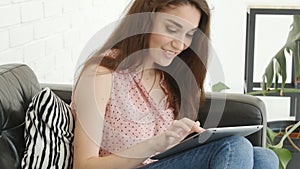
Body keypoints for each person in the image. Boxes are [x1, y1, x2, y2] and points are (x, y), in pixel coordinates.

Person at [71, 0, 279, 169]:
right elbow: (84, 165)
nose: (180, 45)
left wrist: (184, 139)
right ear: (145, 20)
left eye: (189, 34)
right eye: (172, 29)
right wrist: (154, 144)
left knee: (265, 158)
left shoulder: (167, 77)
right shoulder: (102, 74)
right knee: (235, 147)